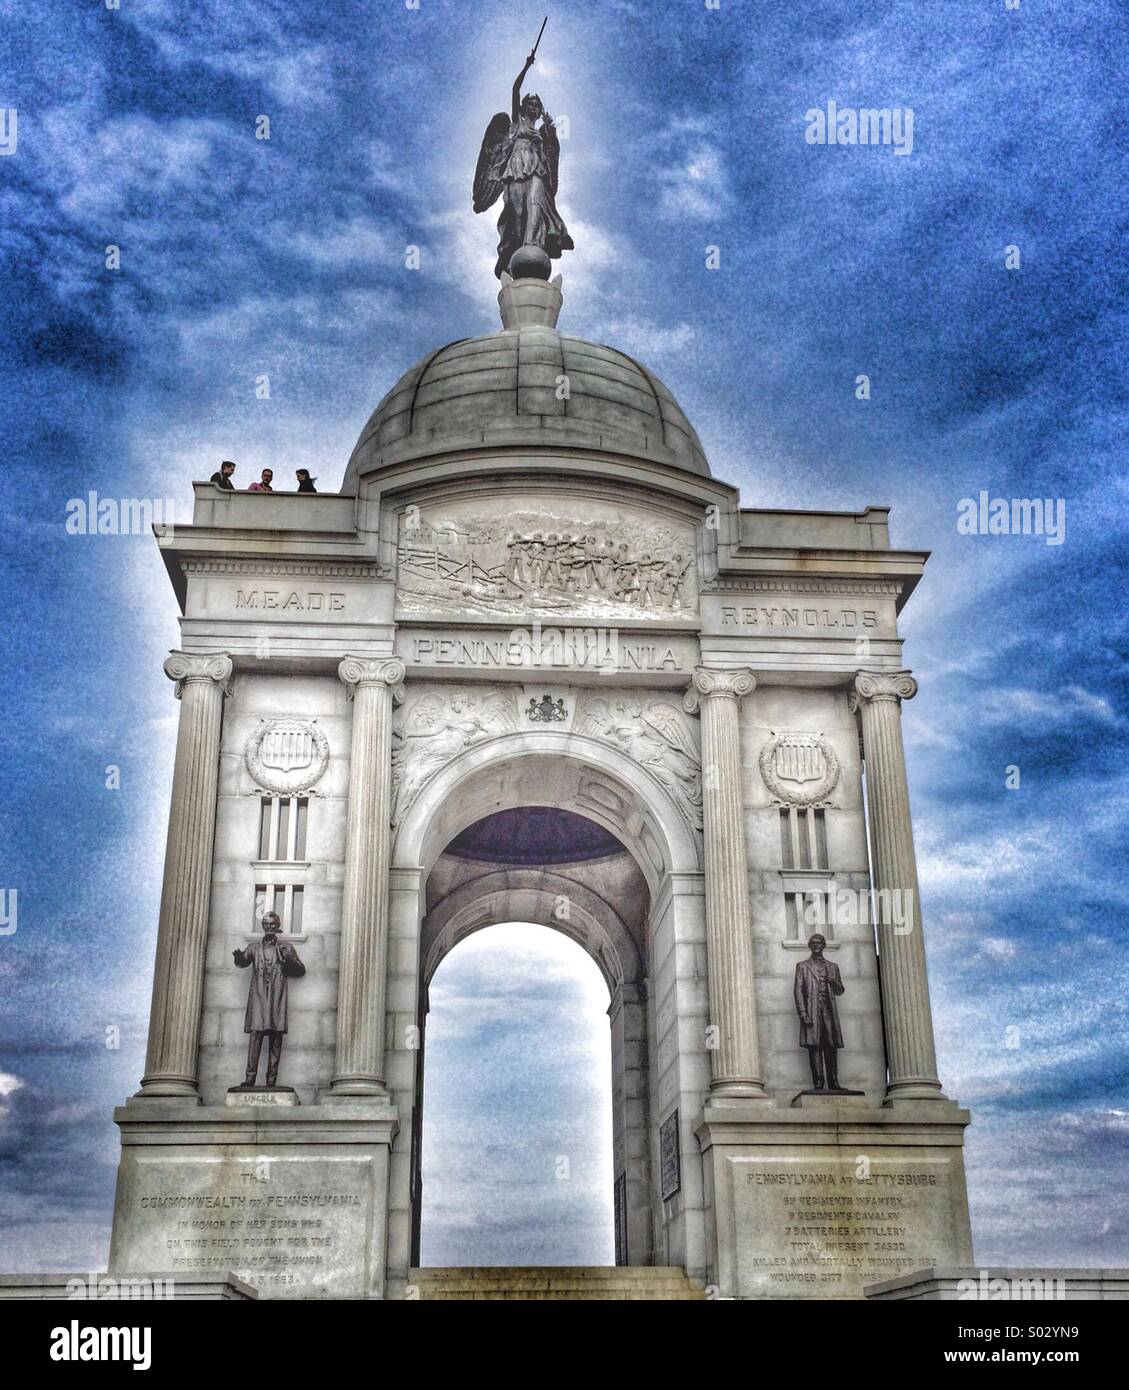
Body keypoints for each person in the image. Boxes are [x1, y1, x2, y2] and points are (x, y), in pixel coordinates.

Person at [231, 912, 305, 1089]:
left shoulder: (285, 947)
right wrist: (238, 957)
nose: (269, 927)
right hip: (259, 998)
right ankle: (250, 1079)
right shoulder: (254, 948)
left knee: (275, 1038)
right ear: (262, 926)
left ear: (277, 925)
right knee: (255, 1036)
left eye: (272, 924)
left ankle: (271, 1080)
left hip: (277, 999)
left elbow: (300, 970)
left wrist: (290, 958)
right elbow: (243, 962)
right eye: (266, 924)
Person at [793, 933, 846, 1091]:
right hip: (811, 1010)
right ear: (810, 946)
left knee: (831, 1046)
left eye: (819, 943)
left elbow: (840, 990)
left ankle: (834, 1082)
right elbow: (797, 991)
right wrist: (803, 1013)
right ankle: (818, 1083)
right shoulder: (802, 966)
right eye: (813, 943)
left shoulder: (833, 967)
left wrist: (834, 982)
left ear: (824, 945)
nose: (816, 945)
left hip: (828, 1012)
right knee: (814, 1047)